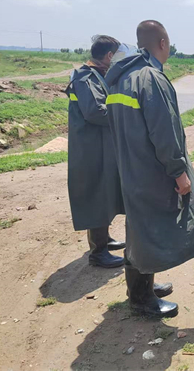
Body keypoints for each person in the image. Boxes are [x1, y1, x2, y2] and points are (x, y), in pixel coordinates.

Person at [105, 20, 194, 318]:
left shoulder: (121, 77)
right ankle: (141, 300)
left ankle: (141, 289)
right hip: (151, 170)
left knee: (139, 228)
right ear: (163, 43)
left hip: (131, 168)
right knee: (149, 230)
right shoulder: (151, 78)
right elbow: (164, 131)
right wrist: (178, 171)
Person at [65, 35, 126, 269]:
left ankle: (104, 239)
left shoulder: (97, 75)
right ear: (109, 56)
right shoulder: (85, 78)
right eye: (118, 56)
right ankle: (98, 253)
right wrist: (125, 113)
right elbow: (96, 112)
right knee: (97, 195)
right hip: (91, 149)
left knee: (105, 193)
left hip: (100, 146)